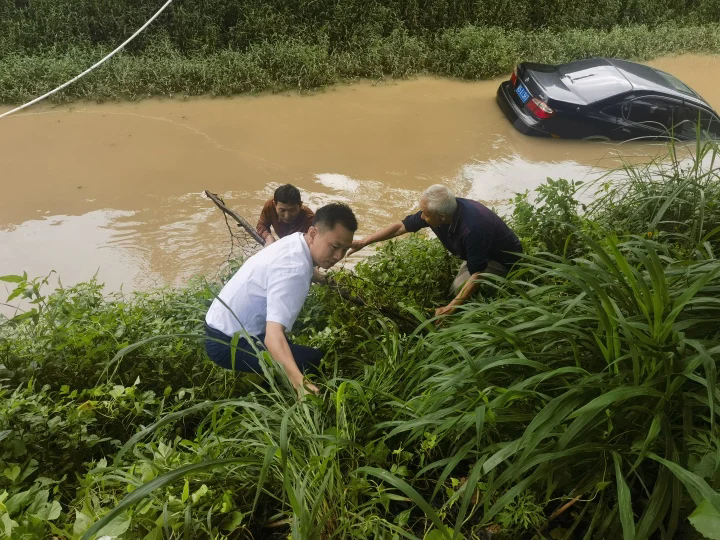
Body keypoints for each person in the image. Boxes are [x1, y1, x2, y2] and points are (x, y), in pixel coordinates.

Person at [205, 203, 357, 395]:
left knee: (287, 348)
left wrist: (319, 277)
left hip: (220, 323)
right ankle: (274, 386)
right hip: (227, 344)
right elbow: (272, 336)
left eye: (344, 249)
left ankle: (264, 372)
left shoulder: (296, 241)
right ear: (312, 233)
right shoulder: (294, 271)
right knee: (313, 360)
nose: (338, 256)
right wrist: (300, 384)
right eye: (334, 247)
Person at [348, 184, 522, 318]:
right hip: (478, 249)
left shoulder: (472, 229)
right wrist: (364, 242)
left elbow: (477, 273)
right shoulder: (441, 211)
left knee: (458, 289)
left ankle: (484, 304)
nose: (421, 216)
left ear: (442, 216)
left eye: (425, 213)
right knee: (459, 287)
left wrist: (450, 308)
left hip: (502, 258)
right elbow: (400, 227)